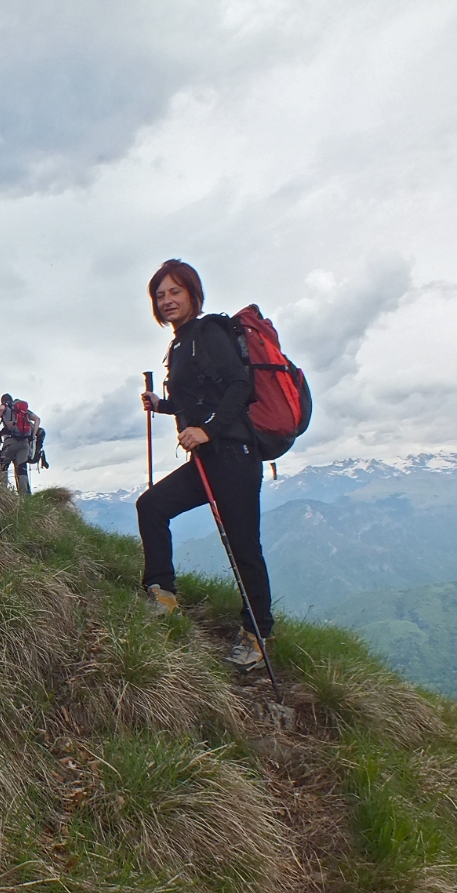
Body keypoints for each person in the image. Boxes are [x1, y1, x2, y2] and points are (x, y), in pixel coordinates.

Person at [136, 259, 273, 671]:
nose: (167, 301)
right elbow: (198, 399)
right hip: (208, 459)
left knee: (243, 546)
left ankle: (257, 633)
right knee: (152, 506)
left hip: (233, 456)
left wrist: (208, 431)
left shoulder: (210, 331)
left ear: (193, 294)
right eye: (160, 295)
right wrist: (164, 406)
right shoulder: (180, 345)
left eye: (175, 292)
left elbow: (239, 386)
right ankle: (162, 594)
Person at [0, 393, 40, 495]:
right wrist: (32, 436)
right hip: (24, 443)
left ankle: (3, 492)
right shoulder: (24, 411)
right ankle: (24, 495)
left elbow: (0, 409)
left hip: (10, 442)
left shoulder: (6, 406)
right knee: (22, 468)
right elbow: (37, 419)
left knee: (4, 466)